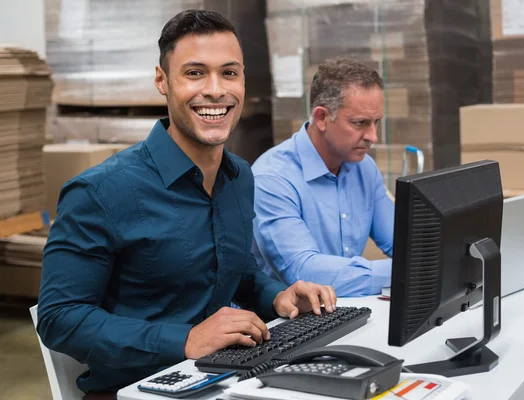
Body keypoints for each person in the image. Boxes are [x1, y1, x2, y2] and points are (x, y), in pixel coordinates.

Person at [36, 10, 336, 398]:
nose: (215, 90)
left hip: (224, 376)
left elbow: (237, 272)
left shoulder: (239, 177)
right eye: (195, 73)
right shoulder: (100, 192)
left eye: (229, 73)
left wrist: (277, 296)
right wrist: (186, 340)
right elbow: (60, 319)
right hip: (138, 390)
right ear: (162, 81)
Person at [251, 58, 395, 298]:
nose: (373, 136)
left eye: (376, 122)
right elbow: (304, 273)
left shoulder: (364, 169)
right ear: (321, 118)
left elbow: (404, 241)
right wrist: (405, 272)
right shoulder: (272, 179)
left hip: (343, 309)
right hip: (285, 323)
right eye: (360, 123)